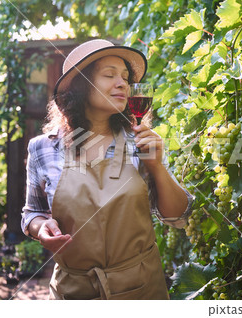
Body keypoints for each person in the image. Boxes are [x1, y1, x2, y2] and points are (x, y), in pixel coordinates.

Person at [20, 39, 193, 300]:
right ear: (80, 85)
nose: (123, 83)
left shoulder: (142, 143)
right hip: (74, 294)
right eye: (109, 75)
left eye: (125, 77)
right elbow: (33, 213)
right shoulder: (42, 149)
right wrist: (40, 228)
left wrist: (157, 167)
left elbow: (178, 217)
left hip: (142, 291)